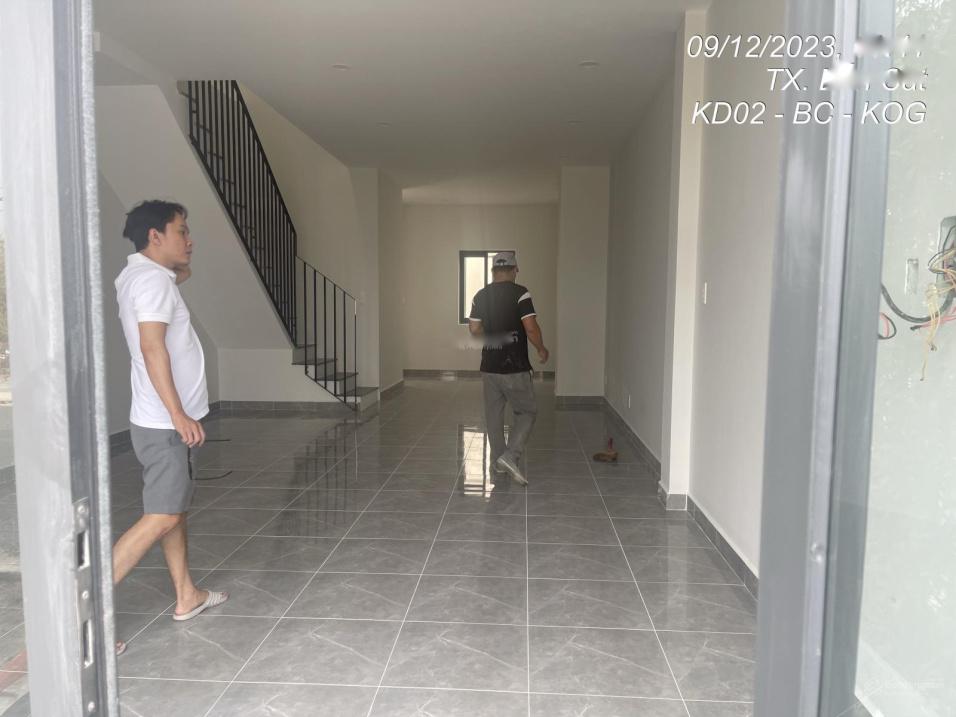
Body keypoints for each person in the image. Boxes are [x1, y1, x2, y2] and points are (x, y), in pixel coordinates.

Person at [112, 200, 227, 654]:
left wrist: (176, 266)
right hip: (165, 424)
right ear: (155, 236)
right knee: (161, 515)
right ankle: (75, 617)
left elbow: (181, 274)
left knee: (173, 510)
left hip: (158, 420)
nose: (190, 239)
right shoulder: (153, 282)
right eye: (182, 231)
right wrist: (179, 414)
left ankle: (186, 595)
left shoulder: (139, 275)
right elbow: (152, 347)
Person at [468, 251, 549, 485]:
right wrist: (541, 349)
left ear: (493, 271)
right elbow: (530, 327)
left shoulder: (480, 295)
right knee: (527, 411)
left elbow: (474, 329)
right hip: (515, 366)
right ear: (515, 270)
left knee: (494, 416)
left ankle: (498, 463)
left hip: (489, 366)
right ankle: (510, 456)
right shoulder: (520, 293)